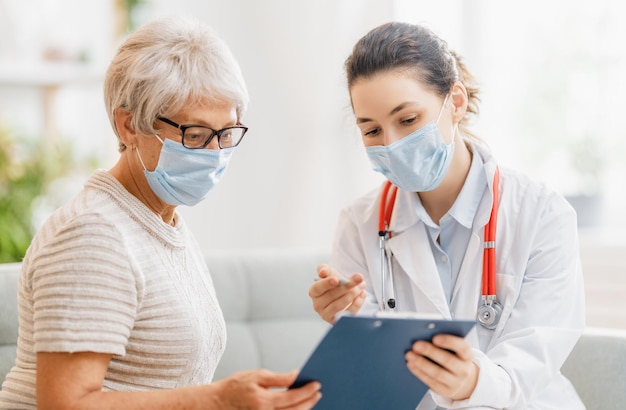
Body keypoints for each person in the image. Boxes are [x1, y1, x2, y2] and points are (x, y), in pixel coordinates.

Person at [0, 17, 321, 410]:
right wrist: (218, 400)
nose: (215, 155)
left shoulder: (159, 221)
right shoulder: (92, 233)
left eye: (227, 133)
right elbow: (67, 404)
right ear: (129, 125)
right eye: (196, 135)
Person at [309, 21, 585, 409]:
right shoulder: (360, 223)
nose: (392, 144)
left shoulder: (542, 214)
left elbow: (535, 356)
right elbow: (373, 369)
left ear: (454, 102)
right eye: (371, 131)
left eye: (407, 120)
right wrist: (348, 318)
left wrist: (473, 381)